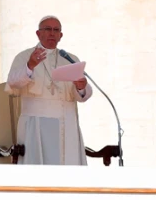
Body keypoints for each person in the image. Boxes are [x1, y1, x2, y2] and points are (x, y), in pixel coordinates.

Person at [5, 15, 92, 165]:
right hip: (35, 123)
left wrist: (81, 87)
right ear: (38, 33)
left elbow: (83, 94)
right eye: (48, 29)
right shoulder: (24, 56)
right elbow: (12, 83)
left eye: (56, 30)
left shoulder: (70, 59)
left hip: (67, 122)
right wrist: (30, 66)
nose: (52, 33)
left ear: (61, 35)